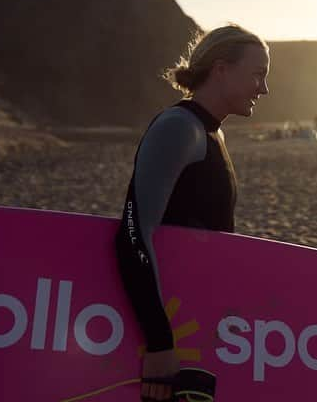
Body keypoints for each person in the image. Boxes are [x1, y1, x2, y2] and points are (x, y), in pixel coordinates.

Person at [113, 24, 270, 402]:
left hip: (197, 328)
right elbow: (132, 233)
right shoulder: (178, 128)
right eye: (258, 74)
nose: (264, 89)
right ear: (221, 69)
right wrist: (159, 342)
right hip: (167, 338)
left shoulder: (211, 133)